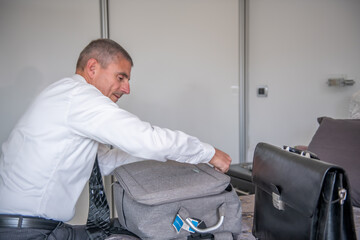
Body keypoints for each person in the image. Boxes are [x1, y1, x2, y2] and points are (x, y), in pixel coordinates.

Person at [0, 39, 232, 239]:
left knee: (125, 231)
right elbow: (146, 139)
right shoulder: (79, 97)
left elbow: (104, 162)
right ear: (93, 68)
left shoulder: (65, 96)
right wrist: (209, 152)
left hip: (29, 226)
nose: (127, 88)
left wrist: (172, 160)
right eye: (121, 77)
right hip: (30, 233)